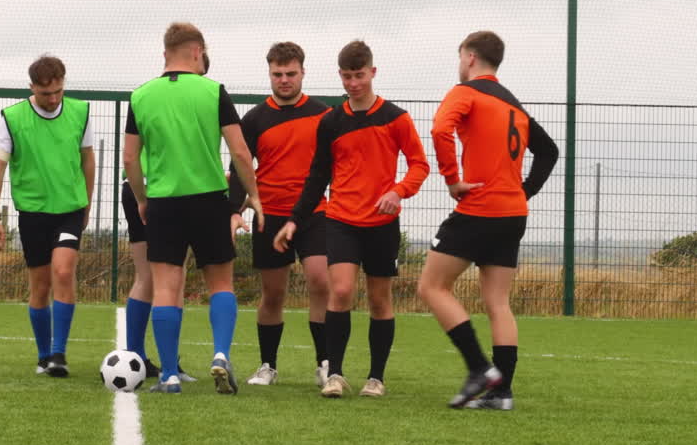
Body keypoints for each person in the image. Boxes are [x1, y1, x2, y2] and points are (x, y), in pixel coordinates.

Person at [275, 40, 429, 398]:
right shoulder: (331, 121)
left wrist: (398, 191)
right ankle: (336, 375)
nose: (353, 83)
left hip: (381, 224)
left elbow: (420, 165)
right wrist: (295, 219)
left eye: (359, 76)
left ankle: (376, 378)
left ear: (372, 73)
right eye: (346, 77)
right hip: (341, 219)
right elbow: (318, 175)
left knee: (379, 301)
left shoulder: (396, 118)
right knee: (340, 291)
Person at [417, 31, 559, 409]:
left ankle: (480, 368)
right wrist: (521, 191)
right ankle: (502, 393)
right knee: (497, 302)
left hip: (479, 208)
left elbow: (438, 129)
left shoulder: (465, 92)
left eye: (459, 56)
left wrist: (451, 180)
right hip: (512, 214)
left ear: (469, 57)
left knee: (431, 287)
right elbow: (549, 152)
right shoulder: (514, 105)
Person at [123, 22, 263, 395]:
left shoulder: (141, 96)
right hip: (210, 200)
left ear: (166, 53)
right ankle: (220, 355)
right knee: (220, 283)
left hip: (164, 202)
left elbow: (130, 159)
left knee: (166, 288)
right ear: (198, 52)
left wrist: (141, 198)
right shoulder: (213, 90)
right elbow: (240, 153)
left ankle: (169, 374)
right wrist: (255, 196)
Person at [228, 42, 332, 389]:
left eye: (290, 73)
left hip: (313, 213)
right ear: (269, 73)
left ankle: (325, 365)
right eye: (277, 74)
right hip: (268, 215)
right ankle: (268, 365)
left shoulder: (323, 115)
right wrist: (234, 210)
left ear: (303, 72)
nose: (284, 80)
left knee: (320, 280)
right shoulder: (255, 118)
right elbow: (239, 166)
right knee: (273, 294)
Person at [0, 56, 95, 377]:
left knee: (63, 272)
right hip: (32, 213)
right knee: (40, 286)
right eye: (46, 93)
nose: (53, 99)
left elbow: (88, 160)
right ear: (32, 87)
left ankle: (59, 354)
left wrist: (86, 205)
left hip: (70, 210)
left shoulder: (80, 112)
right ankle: (44, 355)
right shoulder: (12, 117)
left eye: (58, 91)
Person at [120, 52, 210, 383]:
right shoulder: (168, 96)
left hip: (156, 191)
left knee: (174, 278)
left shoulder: (154, 96)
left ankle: (167, 361)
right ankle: (135, 357)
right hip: (151, 192)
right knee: (152, 277)